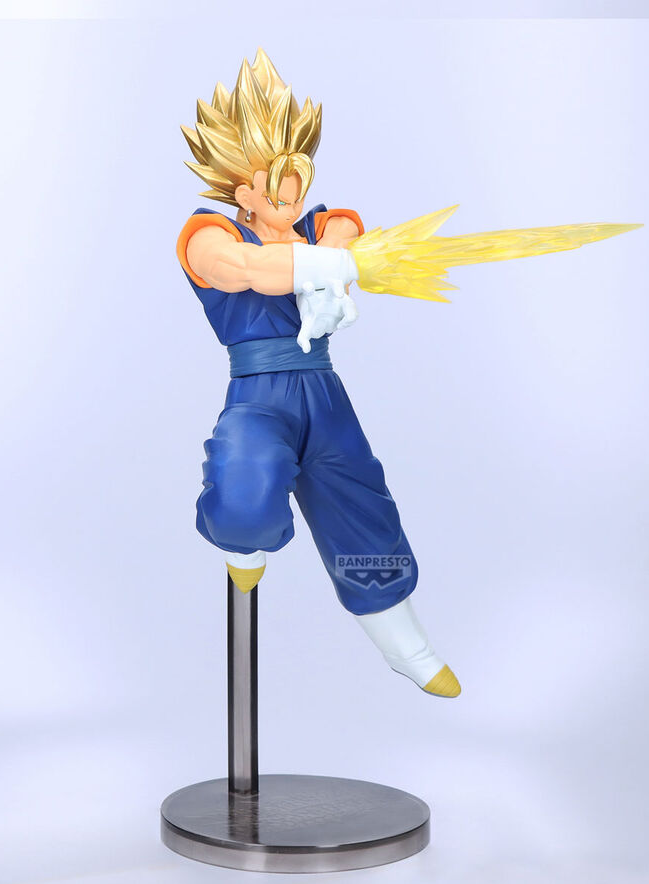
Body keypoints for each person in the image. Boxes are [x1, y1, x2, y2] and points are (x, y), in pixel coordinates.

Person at [176, 49, 461, 698]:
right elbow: (238, 270)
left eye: (299, 171)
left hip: (325, 396)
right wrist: (318, 270)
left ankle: (408, 648)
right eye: (278, 178)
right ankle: (244, 552)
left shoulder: (318, 225)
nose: (292, 191)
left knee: (363, 515)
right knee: (244, 492)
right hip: (260, 395)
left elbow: (347, 234)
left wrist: (337, 257)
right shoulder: (209, 233)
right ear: (242, 189)